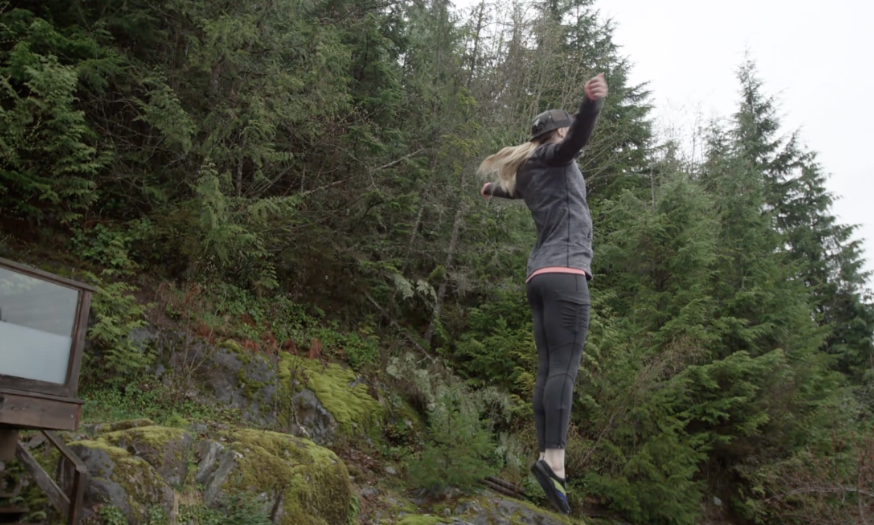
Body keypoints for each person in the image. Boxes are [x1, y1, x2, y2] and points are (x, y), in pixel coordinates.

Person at [478, 74, 608, 515]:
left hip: (539, 277)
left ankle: (545, 455)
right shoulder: (556, 154)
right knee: (563, 371)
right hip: (567, 274)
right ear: (558, 133)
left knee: (549, 370)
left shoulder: (531, 168)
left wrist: (492, 190)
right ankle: (554, 460)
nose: (571, 138)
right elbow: (576, 142)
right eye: (567, 130)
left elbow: (513, 191)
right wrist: (589, 105)